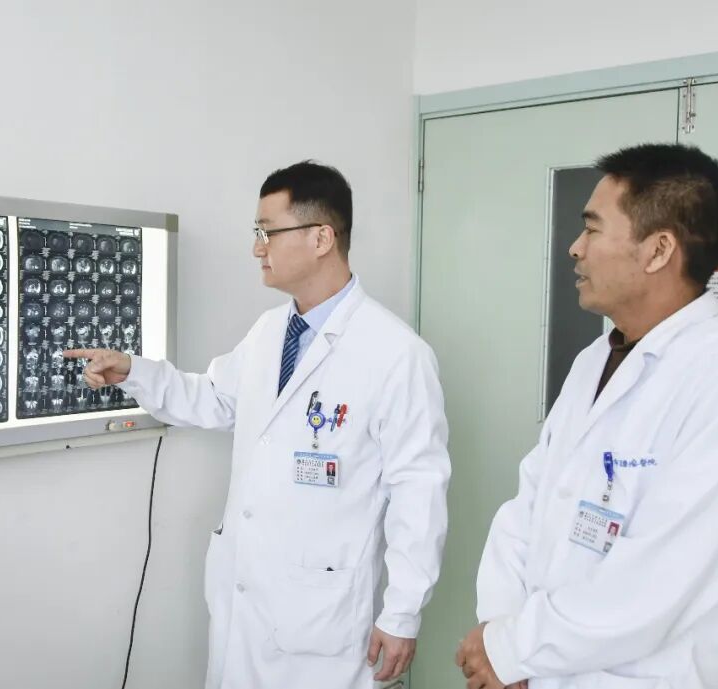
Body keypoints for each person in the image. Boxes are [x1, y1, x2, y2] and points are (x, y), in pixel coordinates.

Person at [66, 161, 451, 689]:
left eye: (267, 232)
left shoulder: (396, 354)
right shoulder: (271, 332)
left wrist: (402, 613)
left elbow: (419, 490)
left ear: (321, 238)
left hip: (323, 614)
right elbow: (215, 398)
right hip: (247, 593)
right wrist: (133, 371)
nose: (256, 247)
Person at [456, 143, 718, 689]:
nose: (575, 248)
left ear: (658, 250)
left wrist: (515, 648)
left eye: (592, 229)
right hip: (530, 670)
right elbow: (529, 505)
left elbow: (663, 579)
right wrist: (502, 630)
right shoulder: (595, 360)